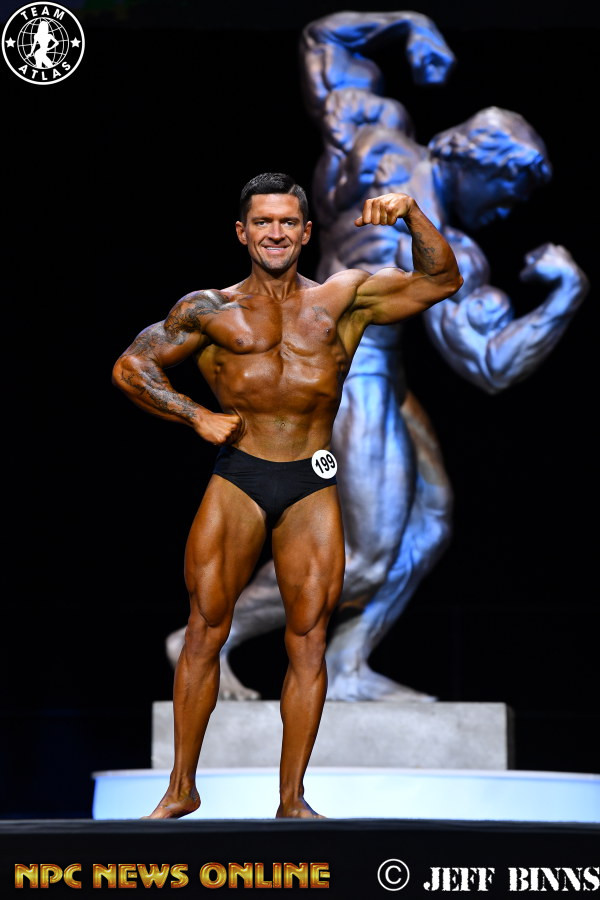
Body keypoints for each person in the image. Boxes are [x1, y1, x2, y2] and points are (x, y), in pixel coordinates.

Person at [183, 13, 588, 705]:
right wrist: (565, 296)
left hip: (367, 366)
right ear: (487, 167)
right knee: (369, 553)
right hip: (351, 374)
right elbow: (490, 365)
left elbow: (322, 39)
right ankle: (205, 640)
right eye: (511, 193)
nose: (507, 210)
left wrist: (410, 24)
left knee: (429, 521)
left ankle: (346, 666)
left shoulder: (372, 138)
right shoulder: (440, 241)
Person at [112, 171, 462, 818]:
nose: (275, 232)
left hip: (311, 478)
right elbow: (132, 366)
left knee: (307, 639)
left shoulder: (344, 297)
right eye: (263, 222)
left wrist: (412, 213)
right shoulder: (209, 309)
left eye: (287, 222)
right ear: (242, 233)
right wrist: (194, 415)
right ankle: (181, 788)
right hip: (239, 475)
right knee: (204, 631)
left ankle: (292, 799)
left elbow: (441, 281)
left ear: (305, 233)